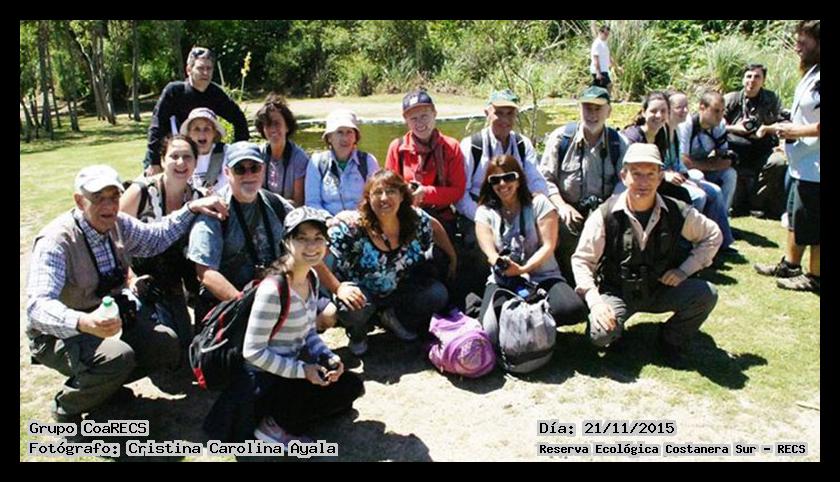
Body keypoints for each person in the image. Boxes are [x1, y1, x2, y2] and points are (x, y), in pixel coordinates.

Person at [26, 165, 227, 423]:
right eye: (98, 198)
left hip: (109, 320)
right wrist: (84, 322)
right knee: (117, 358)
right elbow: (37, 307)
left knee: (165, 345)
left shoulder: (118, 224)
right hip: (60, 332)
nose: (109, 206)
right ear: (79, 200)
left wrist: (191, 208)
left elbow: (156, 237)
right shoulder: (56, 241)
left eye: (114, 197)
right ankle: (66, 406)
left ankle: (104, 389)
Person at [203, 207, 364, 444]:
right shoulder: (273, 290)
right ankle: (272, 426)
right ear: (287, 242)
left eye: (318, 238)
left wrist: (327, 356)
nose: (311, 246)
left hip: (290, 369)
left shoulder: (311, 278)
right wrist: (303, 371)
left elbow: (308, 332)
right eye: (302, 238)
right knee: (321, 401)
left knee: (351, 386)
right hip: (263, 379)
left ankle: (284, 415)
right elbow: (253, 352)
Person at [571, 144, 722, 366]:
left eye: (650, 174)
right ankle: (616, 330)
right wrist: (595, 303)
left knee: (706, 294)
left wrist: (684, 270)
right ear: (624, 176)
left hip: (660, 288)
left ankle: (671, 338)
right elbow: (582, 260)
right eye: (636, 174)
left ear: (660, 178)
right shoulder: (604, 215)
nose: (643, 182)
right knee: (600, 336)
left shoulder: (678, 211)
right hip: (618, 291)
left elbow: (713, 235)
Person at [328, 170, 457, 356]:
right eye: (377, 192)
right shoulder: (351, 225)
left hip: (399, 288)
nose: (384, 198)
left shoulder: (414, 218)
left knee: (437, 294)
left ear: (402, 196)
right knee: (350, 308)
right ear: (368, 198)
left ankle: (394, 317)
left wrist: (452, 256)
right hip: (363, 292)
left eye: (391, 191)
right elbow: (318, 253)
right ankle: (358, 333)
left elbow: (434, 226)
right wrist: (337, 287)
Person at [187, 141, 295, 322]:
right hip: (231, 306)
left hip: (274, 296)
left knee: (325, 315)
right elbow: (205, 273)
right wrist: (248, 307)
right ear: (227, 172)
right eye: (240, 169)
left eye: (254, 168)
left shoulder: (275, 203)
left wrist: (336, 288)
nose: (248, 175)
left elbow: (305, 237)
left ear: (263, 169)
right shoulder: (214, 211)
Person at [474, 155, 587, 326]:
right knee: (489, 325)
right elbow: (489, 250)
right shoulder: (485, 211)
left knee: (571, 310)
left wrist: (523, 269)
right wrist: (501, 263)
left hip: (543, 275)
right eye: (495, 180)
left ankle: (535, 322)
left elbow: (548, 246)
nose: (502, 184)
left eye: (508, 177)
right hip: (504, 280)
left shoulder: (539, 203)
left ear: (519, 180)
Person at [119, 135, 206, 352]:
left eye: (187, 157)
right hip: (138, 275)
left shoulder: (198, 198)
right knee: (165, 345)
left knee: (183, 344)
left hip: (172, 279)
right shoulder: (140, 192)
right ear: (162, 160)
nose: (181, 163)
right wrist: (130, 278)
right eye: (174, 156)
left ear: (196, 162)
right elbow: (112, 238)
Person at [754, 20, 820, 292]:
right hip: (801, 162)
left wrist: (796, 130)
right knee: (796, 217)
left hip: (816, 166)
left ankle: (815, 276)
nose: (797, 47)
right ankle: (791, 265)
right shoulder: (813, 71)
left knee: (815, 224)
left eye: (803, 42)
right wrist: (784, 130)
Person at [540, 85, 628, 283]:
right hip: (569, 210)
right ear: (579, 109)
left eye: (598, 108)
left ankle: (609, 281)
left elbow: (625, 182)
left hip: (606, 209)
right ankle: (567, 282)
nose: (592, 114)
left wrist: (608, 208)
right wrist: (562, 206)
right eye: (587, 108)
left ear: (609, 111)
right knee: (560, 228)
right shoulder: (561, 139)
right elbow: (545, 179)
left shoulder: (619, 143)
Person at [142, 47, 248, 176]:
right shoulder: (174, 92)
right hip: (174, 155)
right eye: (200, 68)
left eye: (209, 68)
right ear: (189, 70)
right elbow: (157, 126)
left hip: (205, 158)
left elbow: (239, 120)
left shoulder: (215, 94)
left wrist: (238, 153)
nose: (205, 73)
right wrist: (154, 162)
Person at [386, 89, 465, 237]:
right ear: (406, 120)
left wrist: (425, 193)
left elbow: (457, 191)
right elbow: (388, 188)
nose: (420, 123)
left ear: (434, 113)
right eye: (413, 118)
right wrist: (407, 193)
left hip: (441, 217)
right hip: (406, 216)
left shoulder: (450, 147)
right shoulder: (397, 148)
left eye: (424, 116)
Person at [723, 64, 786, 216]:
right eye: (749, 76)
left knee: (779, 161)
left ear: (763, 80)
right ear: (743, 79)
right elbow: (716, 125)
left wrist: (765, 128)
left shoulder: (772, 99)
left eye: (757, 77)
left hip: (763, 148)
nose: (752, 80)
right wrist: (736, 128)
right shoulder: (730, 99)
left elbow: (783, 122)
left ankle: (757, 203)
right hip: (735, 150)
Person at [621, 91, 692, 204]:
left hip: (653, 183)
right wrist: (665, 175)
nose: (659, 115)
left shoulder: (661, 135)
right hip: (634, 185)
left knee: (683, 194)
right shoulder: (633, 138)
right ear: (644, 112)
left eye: (663, 111)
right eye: (653, 111)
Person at [305, 110, 379, 215]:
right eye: (339, 132)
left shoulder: (368, 161)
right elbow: (312, 202)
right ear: (329, 137)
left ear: (355, 137)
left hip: (362, 220)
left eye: (349, 132)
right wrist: (329, 219)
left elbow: (375, 198)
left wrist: (356, 217)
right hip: (326, 222)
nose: (345, 138)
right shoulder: (317, 162)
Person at [677, 90, 739, 215]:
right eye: (716, 111)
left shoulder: (720, 125)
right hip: (685, 172)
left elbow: (724, 158)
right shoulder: (687, 124)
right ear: (702, 107)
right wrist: (711, 165)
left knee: (730, 174)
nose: (720, 116)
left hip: (703, 167)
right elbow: (685, 161)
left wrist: (719, 162)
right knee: (697, 174)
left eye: (722, 111)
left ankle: (722, 216)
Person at [254, 93, 310, 207]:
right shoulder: (257, 155)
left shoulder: (300, 158)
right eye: (268, 124)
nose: (273, 129)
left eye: (277, 123)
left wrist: (276, 205)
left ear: (287, 126)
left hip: (291, 213)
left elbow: (299, 203)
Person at [181, 107, 229, 193]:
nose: (202, 134)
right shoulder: (182, 156)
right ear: (189, 133)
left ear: (215, 133)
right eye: (196, 129)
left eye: (207, 129)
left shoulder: (227, 153)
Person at [590, 25, 613, 93]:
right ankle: (607, 99)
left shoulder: (604, 43)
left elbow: (608, 56)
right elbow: (595, 59)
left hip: (604, 70)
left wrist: (614, 65)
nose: (606, 36)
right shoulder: (597, 43)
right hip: (599, 70)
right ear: (600, 32)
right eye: (605, 34)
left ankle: (585, 96)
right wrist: (598, 72)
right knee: (609, 85)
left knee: (599, 88)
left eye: (608, 34)